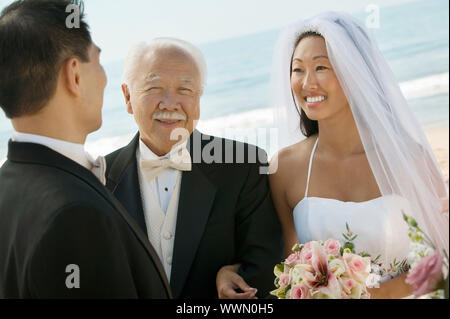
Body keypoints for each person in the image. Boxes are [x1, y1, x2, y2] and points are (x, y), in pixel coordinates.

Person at [268, 12, 449, 299]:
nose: (307, 83)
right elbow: (282, 265)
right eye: (298, 69)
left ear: (355, 71)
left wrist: (369, 295)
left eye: (321, 67)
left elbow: (440, 262)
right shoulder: (284, 168)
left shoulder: (409, 158)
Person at [0, 0, 171, 298]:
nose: (105, 78)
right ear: (75, 75)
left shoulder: (7, 188)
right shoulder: (73, 215)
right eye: (99, 61)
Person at [104, 37, 284, 299]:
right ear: (128, 96)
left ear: (199, 97)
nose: (170, 103)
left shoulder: (244, 165)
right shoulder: (97, 178)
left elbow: (266, 270)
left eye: (185, 90)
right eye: (154, 88)